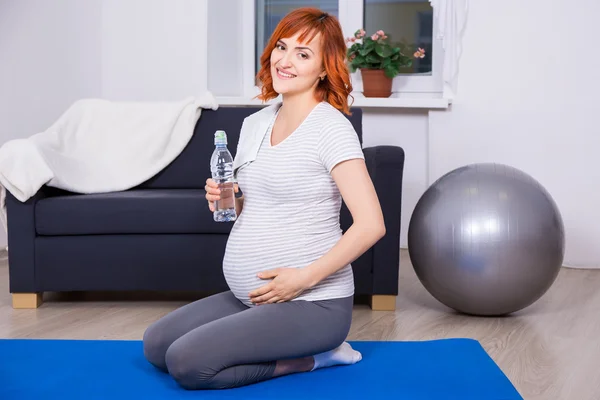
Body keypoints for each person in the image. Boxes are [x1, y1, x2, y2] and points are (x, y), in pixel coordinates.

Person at [142, 7, 386, 390]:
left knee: (186, 363)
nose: (285, 61)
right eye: (281, 47)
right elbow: (253, 204)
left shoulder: (332, 128)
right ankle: (278, 341)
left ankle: (315, 357)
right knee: (156, 346)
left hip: (312, 303)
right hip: (253, 298)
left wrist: (302, 279)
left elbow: (372, 225)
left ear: (324, 68)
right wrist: (230, 200)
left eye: (303, 54)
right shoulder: (255, 123)